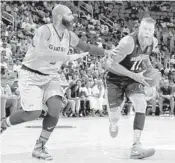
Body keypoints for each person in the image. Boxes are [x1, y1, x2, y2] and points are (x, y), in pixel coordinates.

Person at [0, 5, 115, 161]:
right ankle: (4, 123)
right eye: (69, 14)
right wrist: (66, 57)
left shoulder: (69, 35)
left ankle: (40, 146)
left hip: (50, 75)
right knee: (33, 113)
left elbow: (86, 47)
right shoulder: (45, 31)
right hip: (30, 74)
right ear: (60, 17)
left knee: (55, 108)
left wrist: (106, 52)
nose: (73, 17)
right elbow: (42, 53)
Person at [104, 17, 161, 159]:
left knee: (141, 103)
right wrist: (134, 76)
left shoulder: (153, 42)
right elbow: (110, 64)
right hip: (114, 78)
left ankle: (136, 146)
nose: (147, 32)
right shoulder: (127, 43)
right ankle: (113, 122)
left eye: (150, 29)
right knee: (114, 117)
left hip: (134, 78)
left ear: (154, 31)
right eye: (145, 29)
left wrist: (150, 73)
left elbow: (145, 57)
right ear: (139, 29)